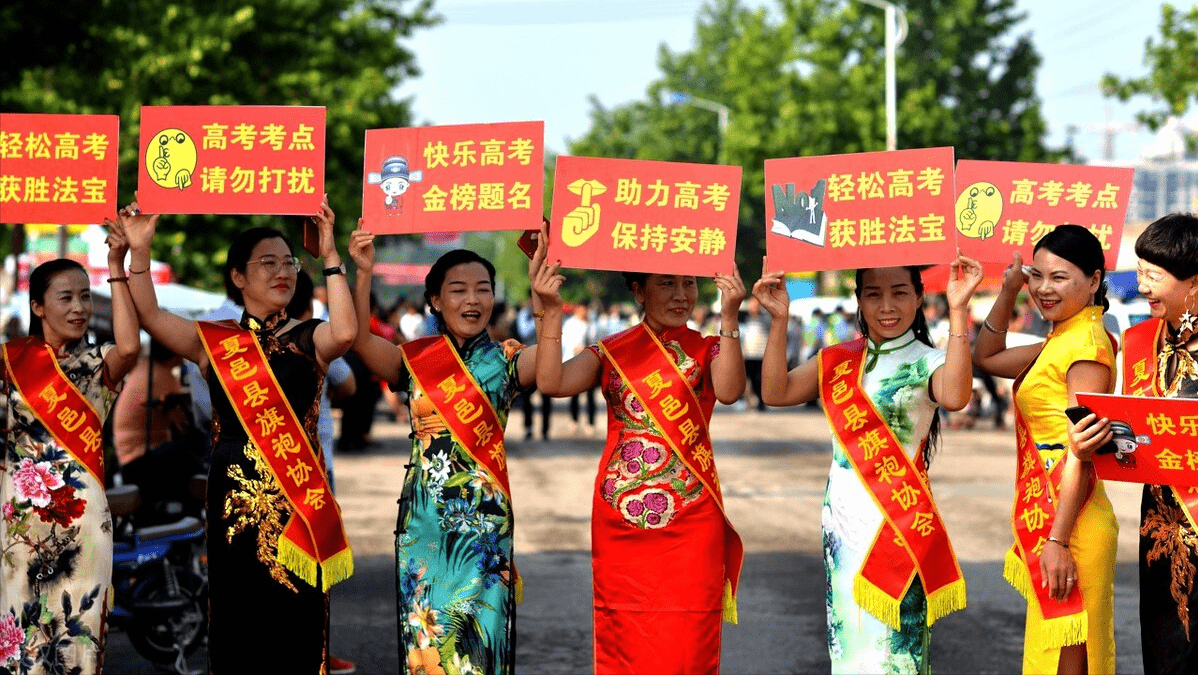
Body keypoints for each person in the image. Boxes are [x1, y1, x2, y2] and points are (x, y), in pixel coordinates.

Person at [121, 197, 357, 674]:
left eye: (288, 261)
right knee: (239, 619)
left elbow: (348, 332)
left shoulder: (312, 337)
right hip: (234, 505)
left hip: (299, 503)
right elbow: (148, 314)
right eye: (266, 263)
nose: (282, 271)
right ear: (237, 278)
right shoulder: (214, 341)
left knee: (297, 621)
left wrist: (330, 256)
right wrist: (139, 250)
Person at [755, 253, 982, 673]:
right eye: (873, 295)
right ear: (858, 300)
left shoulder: (929, 361)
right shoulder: (839, 359)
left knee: (896, 657)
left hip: (897, 530)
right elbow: (776, 391)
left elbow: (954, 397)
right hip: (842, 532)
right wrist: (780, 320)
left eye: (899, 293)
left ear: (918, 297)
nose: (887, 307)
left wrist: (958, 308)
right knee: (850, 653)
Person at [532, 255, 748, 674]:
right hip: (622, 524)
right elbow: (552, 383)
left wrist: (729, 315)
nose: (682, 295)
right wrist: (552, 311)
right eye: (667, 283)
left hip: (691, 519)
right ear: (638, 290)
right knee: (626, 636)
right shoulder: (612, 351)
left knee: (687, 638)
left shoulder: (709, 348)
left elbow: (730, 389)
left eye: (689, 283)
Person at [347, 226, 540, 675]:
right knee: (427, 644)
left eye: (483, 289)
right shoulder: (412, 358)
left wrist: (544, 301)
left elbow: (548, 374)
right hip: (424, 526)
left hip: (484, 529)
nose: (473, 299)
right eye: (458, 290)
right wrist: (363, 273)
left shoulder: (507, 359)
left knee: (480, 643)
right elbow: (358, 340)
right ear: (435, 299)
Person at [973, 225, 1118, 675]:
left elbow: (1083, 452)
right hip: (1056, 517)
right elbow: (987, 358)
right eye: (1037, 276)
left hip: (1071, 524)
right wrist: (1009, 289)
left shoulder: (1086, 349)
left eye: (1059, 277)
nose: (1043, 289)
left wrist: (1057, 540)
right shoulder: (1063, 341)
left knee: (1065, 662)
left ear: (1094, 280)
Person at [1, 228, 140, 673]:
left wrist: (117, 266)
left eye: (85, 296)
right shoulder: (8, 363)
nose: (79, 307)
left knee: (79, 628)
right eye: (66, 297)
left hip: (83, 522)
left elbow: (132, 345)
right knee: (20, 633)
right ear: (38, 306)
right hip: (19, 521)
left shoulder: (98, 365)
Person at [1072, 213, 1197, 675]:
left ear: (1193, 282)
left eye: (1153, 275)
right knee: (1166, 650)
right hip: (1162, 531)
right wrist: (1102, 440)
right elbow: (1140, 435)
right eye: (1139, 271)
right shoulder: (1140, 340)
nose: (1142, 285)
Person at [561, 303, 597, 434]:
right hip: (574, 361)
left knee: (590, 395)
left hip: (590, 362)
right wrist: (575, 348)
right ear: (577, 310)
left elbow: (597, 340)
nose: (584, 312)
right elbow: (565, 341)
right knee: (574, 393)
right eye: (581, 309)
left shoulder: (592, 323)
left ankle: (591, 422)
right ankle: (574, 419)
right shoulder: (570, 323)